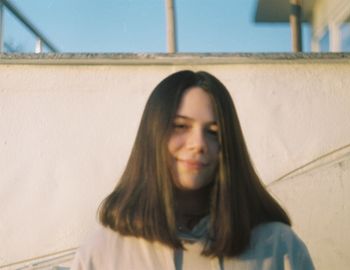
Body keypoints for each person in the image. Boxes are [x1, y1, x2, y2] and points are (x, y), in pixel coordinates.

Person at [71, 70, 314, 270]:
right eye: (180, 126)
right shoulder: (101, 253)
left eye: (213, 131)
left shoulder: (279, 247)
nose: (198, 143)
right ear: (152, 136)